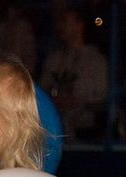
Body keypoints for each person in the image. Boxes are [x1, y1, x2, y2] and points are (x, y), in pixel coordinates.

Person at [39, 6, 108, 139]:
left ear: (79, 25)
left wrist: (79, 103)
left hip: (85, 132)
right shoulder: (54, 59)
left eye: (64, 21)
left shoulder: (96, 60)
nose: (60, 26)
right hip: (53, 130)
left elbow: (102, 97)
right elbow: (42, 91)